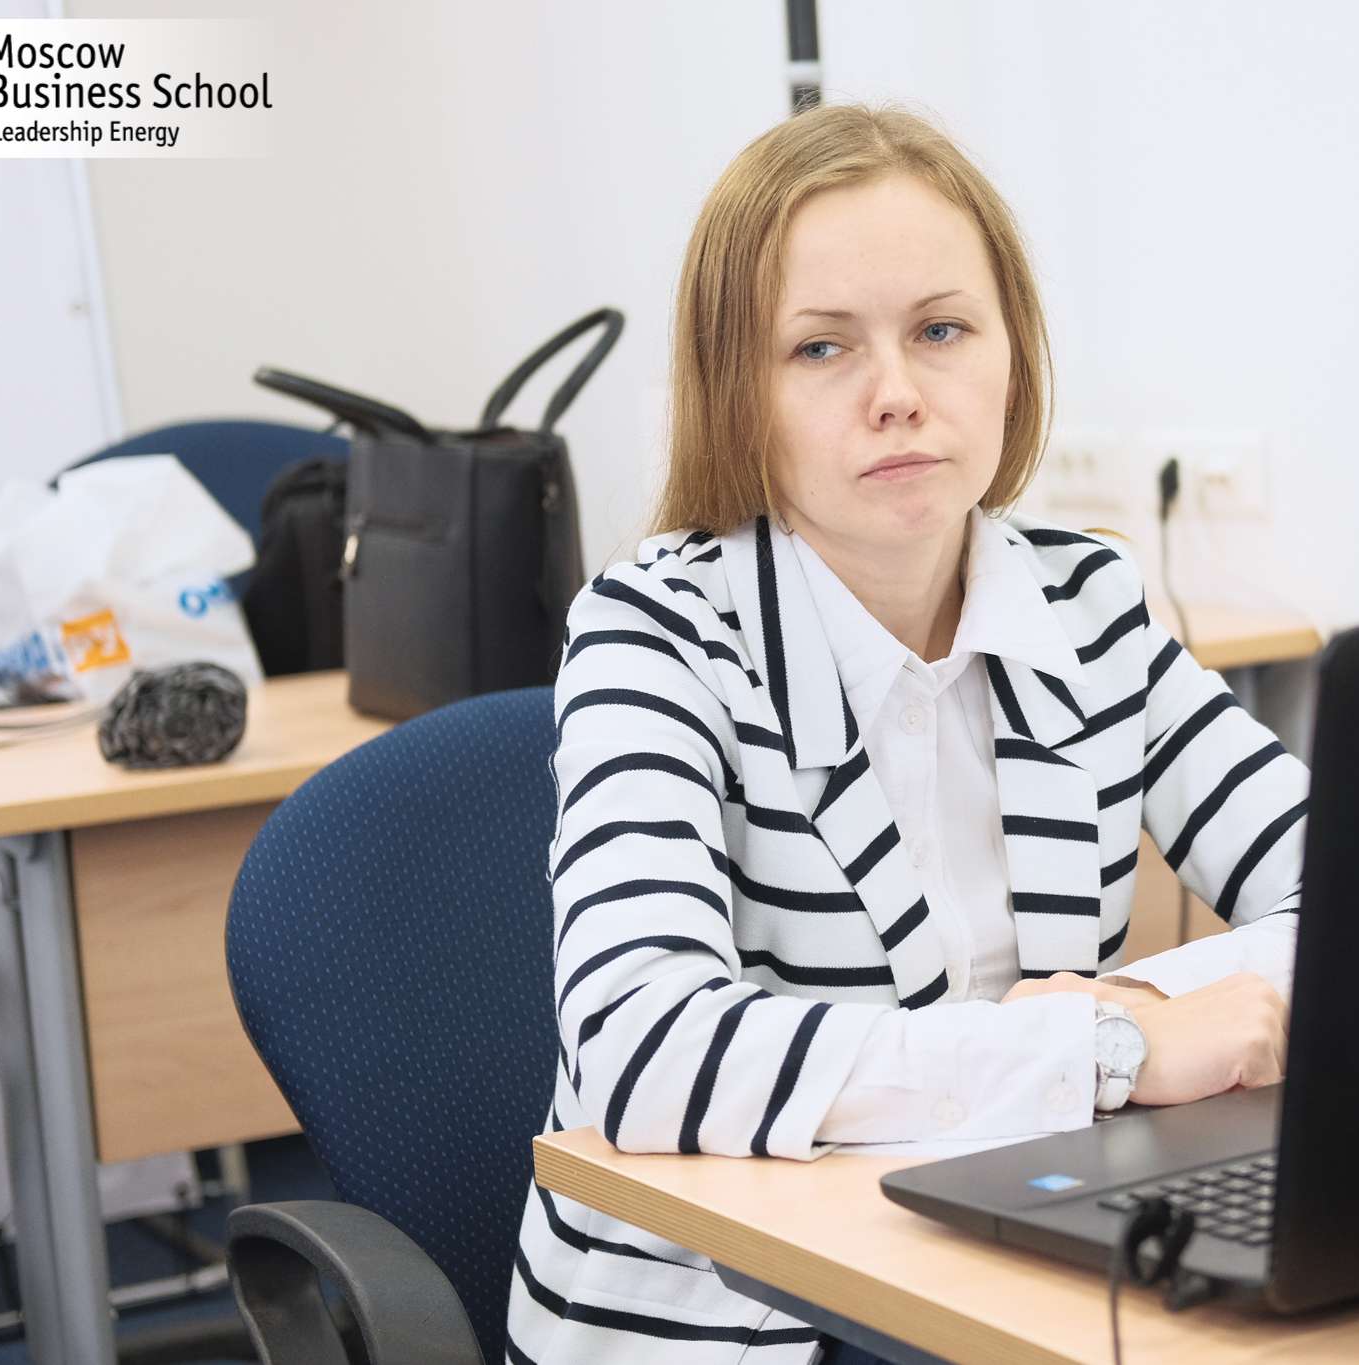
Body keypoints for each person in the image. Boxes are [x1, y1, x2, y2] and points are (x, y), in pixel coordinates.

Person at [508, 102, 1309, 1365]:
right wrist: (1100, 1050)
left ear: (1010, 356)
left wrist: (1130, 1010)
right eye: (820, 348)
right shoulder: (654, 631)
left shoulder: (1085, 602)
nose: (896, 396)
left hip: (1014, 1270)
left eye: (940, 331)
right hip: (739, 1323)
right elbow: (642, 1047)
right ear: (737, 392)